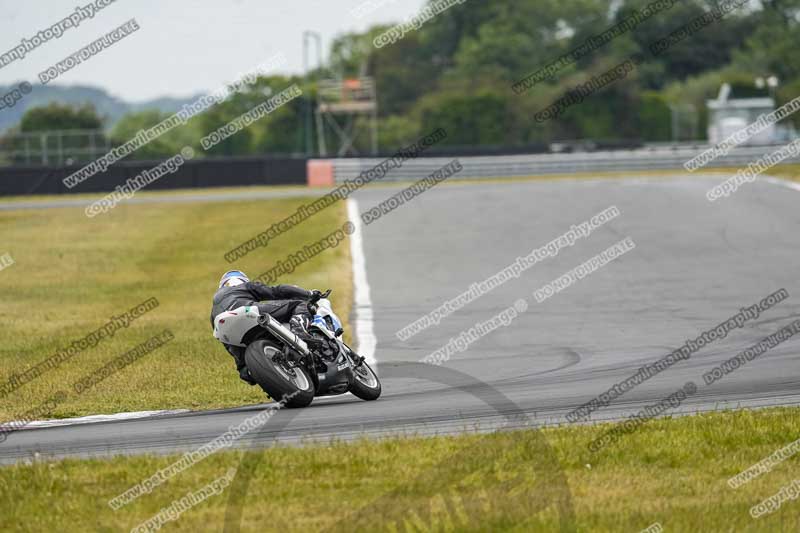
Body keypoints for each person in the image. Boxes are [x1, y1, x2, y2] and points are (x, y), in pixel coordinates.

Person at [210, 270, 321, 385]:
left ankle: (247, 370)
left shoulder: (214, 310)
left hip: (228, 328)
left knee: (241, 363)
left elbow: (227, 343)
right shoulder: (245, 286)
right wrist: (309, 294)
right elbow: (278, 291)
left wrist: (244, 366)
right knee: (299, 305)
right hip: (247, 310)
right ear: (242, 280)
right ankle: (299, 331)